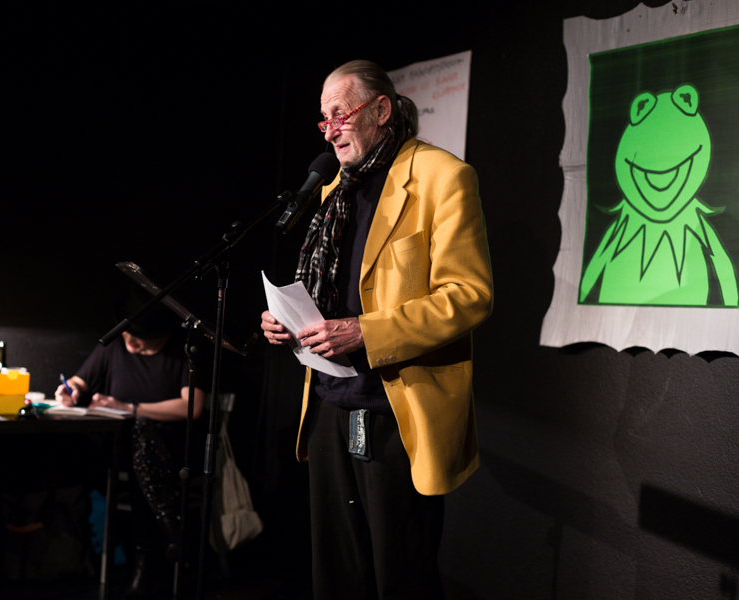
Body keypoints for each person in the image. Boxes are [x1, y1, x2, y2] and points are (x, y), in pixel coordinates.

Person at [261, 60, 493, 599]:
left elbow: (469, 295)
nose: (330, 130)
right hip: (327, 403)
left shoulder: (443, 177)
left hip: (396, 410)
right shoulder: (335, 188)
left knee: (400, 577)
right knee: (336, 576)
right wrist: (289, 322)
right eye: (324, 120)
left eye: (340, 114)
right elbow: (330, 293)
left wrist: (366, 332)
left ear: (382, 110)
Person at [56, 294, 205, 598]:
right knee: (137, 439)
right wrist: (70, 390)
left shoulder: (185, 349)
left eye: (139, 337)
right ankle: (169, 526)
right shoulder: (115, 347)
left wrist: (131, 408)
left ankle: (145, 562)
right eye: (127, 333)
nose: (130, 341)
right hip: (121, 447)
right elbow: (80, 380)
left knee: (142, 438)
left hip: (173, 450)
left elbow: (193, 406)